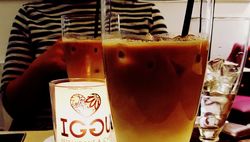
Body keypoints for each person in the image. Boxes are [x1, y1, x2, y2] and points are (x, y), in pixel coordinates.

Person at [0, 0, 167, 131]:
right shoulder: (31, 15)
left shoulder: (146, 13)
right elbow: (11, 105)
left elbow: (169, 94)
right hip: (43, 137)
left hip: (128, 137)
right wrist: (41, 67)